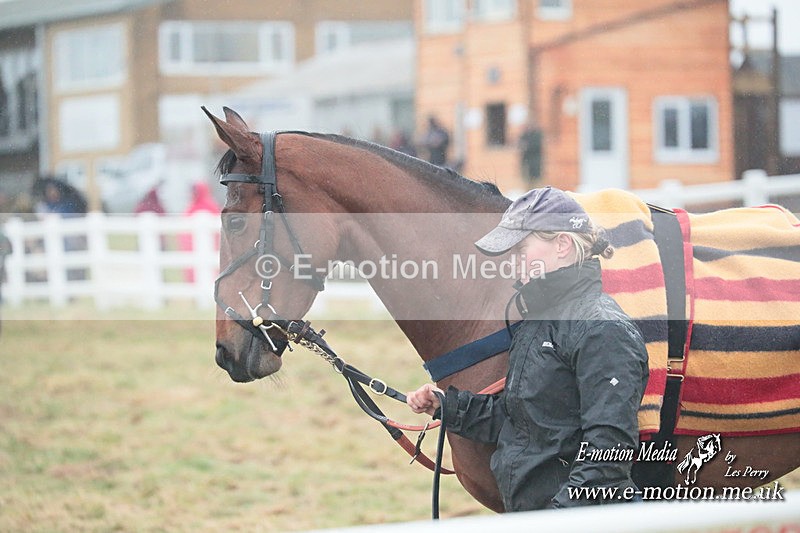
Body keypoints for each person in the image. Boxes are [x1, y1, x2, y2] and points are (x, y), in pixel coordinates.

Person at [406, 187, 649, 511]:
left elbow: (607, 458)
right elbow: (523, 419)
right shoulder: (538, 321)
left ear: (562, 245)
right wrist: (448, 406)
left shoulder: (602, 330)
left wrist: (550, 523)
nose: (513, 261)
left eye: (521, 248)